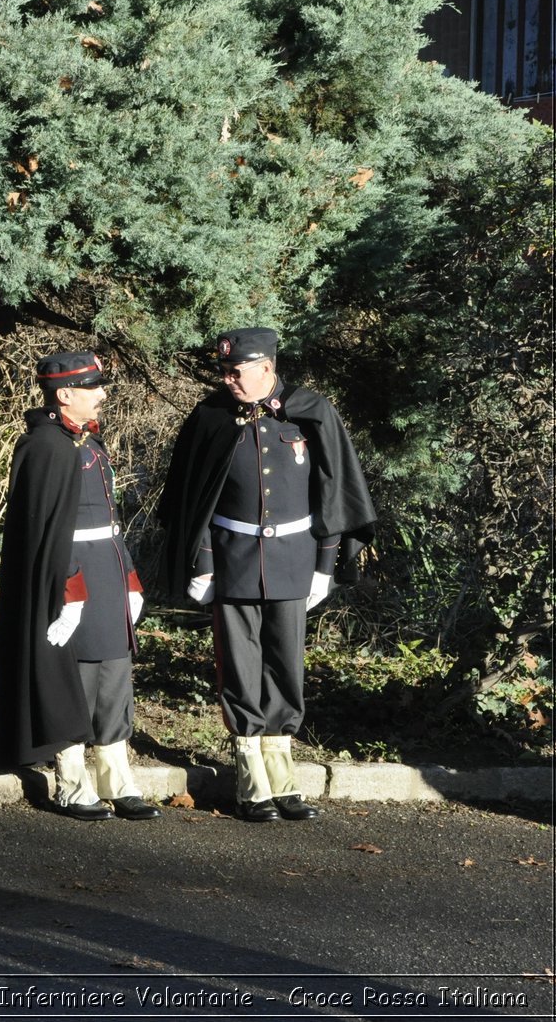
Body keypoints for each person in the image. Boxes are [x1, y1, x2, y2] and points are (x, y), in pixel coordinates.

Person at [160, 328, 374, 822]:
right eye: (225, 371)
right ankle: (252, 782)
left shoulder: (311, 411)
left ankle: (283, 776)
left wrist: (325, 566)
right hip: (233, 558)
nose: (228, 379)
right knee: (238, 665)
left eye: (237, 371)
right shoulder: (210, 417)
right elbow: (195, 500)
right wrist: (204, 563)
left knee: (286, 664)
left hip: (295, 559)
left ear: (268, 368)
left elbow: (333, 496)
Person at [0, 351, 158, 821]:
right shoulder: (44, 446)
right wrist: (70, 591)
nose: (103, 394)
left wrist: (128, 576)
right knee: (76, 680)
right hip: (71, 577)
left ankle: (116, 778)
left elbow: (108, 520)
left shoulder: (88, 443)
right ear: (65, 394)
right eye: (94, 388)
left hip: (106, 570)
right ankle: (72, 782)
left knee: (113, 675)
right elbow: (47, 530)